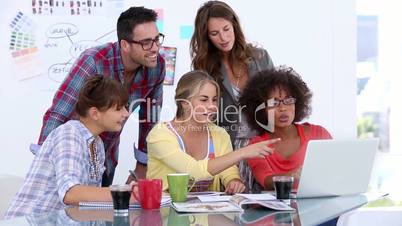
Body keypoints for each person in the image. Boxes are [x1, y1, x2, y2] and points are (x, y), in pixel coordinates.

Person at [33, 7, 165, 185]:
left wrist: (142, 167)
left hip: (105, 156)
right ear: (125, 45)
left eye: (157, 40)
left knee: (97, 209)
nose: (155, 48)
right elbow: (59, 113)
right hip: (68, 156)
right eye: (147, 43)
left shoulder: (157, 67)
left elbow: (150, 119)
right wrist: (41, 167)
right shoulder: (94, 61)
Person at [5, 76, 137, 219]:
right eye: (119, 109)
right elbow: (71, 193)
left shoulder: (96, 143)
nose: (126, 113)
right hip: (28, 221)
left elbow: (86, 202)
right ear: (95, 113)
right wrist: (126, 194)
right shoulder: (69, 134)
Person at [146, 70, 279, 194]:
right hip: (163, 215)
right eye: (204, 100)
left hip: (205, 215)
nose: (212, 106)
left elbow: (228, 171)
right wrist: (243, 152)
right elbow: (194, 171)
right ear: (184, 103)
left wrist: (233, 181)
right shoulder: (160, 135)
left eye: (214, 100)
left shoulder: (219, 134)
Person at [190, 0, 275, 191]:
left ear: (234, 25)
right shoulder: (204, 67)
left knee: (265, 208)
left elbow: (275, 101)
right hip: (226, 149)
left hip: (262, 145)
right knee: (231, 208)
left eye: (226, 29)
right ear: (206, 37)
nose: (223, 37)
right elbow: (204, 115)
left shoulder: (260, 57)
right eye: (214, 33)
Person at [239, 67, 332, 191]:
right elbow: (266, 181)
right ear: (261, 109)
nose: (282, 108)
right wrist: (291, 176)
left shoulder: (319, 134)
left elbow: (335, 171)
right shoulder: (257, 145)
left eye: (288, 100)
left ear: (297, 103)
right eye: (274, 103)